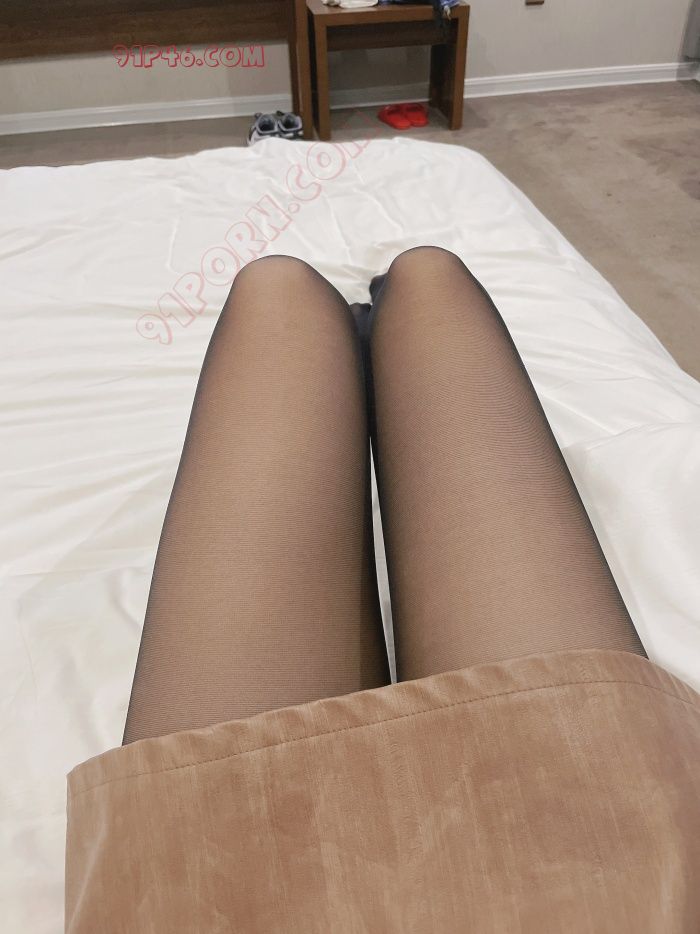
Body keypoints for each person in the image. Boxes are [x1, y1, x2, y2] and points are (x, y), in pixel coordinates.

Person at [65, 247, 700, 933]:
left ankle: (364, 341)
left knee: (278, 291)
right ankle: (385, 327)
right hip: (600, 851)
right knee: (419, 278)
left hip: (219, 880)